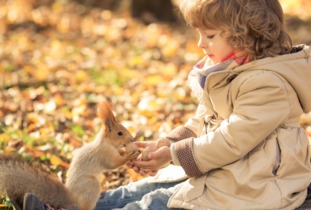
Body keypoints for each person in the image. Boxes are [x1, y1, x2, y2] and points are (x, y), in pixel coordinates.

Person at [22, 0, 311, 209]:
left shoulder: (268, 84)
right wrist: (167, 144)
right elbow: (204, 121)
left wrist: (174, 154)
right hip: (227, 170)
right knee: (142, 189)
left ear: (244, 37)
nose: (200, 43)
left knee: (156, 202)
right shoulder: (231, 71)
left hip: (254, 184)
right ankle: (66, 204)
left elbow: (232, 140)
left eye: (209, 35)